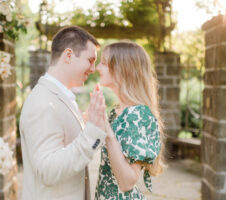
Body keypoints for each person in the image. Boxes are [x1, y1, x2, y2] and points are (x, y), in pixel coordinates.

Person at [19, 26, 107, 200]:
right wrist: (92, 133)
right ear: (68, 55)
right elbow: (48, 171)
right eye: (90, 60)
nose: (93, 68)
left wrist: (86, 121)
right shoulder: (44, 103)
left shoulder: (59, 97)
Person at [93, 41, 165, 199]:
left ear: (122, 69)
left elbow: (127, 183)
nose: (97, 68)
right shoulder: (116, 112)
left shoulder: (138, 115)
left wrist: (108, 132)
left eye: (104, 63)